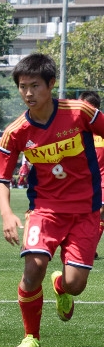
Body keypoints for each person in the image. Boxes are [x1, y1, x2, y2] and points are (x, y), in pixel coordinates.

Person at [0, 53, 104, 347]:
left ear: (51, 84)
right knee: (34, 267)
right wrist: (6, 214)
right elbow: (0, 177)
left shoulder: (80, 112)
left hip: (87, 211)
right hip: (44, 210)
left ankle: (61, 287)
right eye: (22, 86)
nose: (28, 93)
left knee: (76, 284)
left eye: (35, 86)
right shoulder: (16, 132)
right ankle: (31, 336)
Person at [80, 91, 103, 259]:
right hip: (82, 185)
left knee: (99, 213)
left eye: (82, 105)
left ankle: (89, 249)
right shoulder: (77, 131)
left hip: (101, 184)